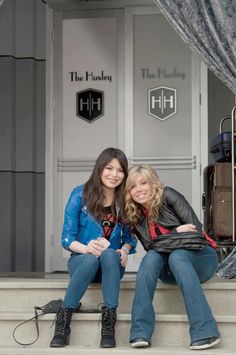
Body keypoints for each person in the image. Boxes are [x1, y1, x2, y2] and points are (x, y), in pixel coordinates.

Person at [124, 164, 221, 350]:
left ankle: (206, 332)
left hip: (200, 258)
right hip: (170, 269)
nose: (139, 190)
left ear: (153, 183)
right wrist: (176, 231)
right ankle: (139, 332)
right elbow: (152, 248)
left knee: (176, 256)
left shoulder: (168, 195)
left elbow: (196, 231)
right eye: (133, 187)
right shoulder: (134, 216)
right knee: (151, 258)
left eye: (143, 183)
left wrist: (165, 239)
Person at [50, 147, 136, 349]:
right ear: (99, 169)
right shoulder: (80, 194)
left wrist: (123, 250)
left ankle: (108, 323)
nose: (114, 175)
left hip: (111, 265)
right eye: (109, 168)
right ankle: (63, 321)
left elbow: (131, 237)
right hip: (82, 263)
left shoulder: (124, 199)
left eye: (120, 170)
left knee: (109, 255)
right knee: (89, 259)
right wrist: (86, 248)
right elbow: (66, 238)